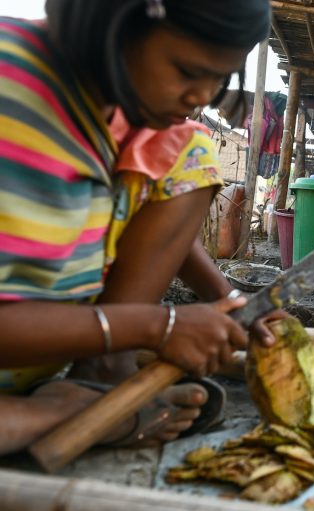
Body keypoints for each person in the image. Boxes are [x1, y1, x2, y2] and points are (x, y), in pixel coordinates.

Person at [0, 0, 282, 456]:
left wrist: (229, 300)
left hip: (32, 352)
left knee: (188, 151)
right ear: (119, 16)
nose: (202, 97)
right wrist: (159, 326)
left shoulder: (109, 106)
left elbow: (150, 211)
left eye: (218, 79)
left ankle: (100, 379)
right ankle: (60, 414)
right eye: (187, 69)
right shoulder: (13, 91)